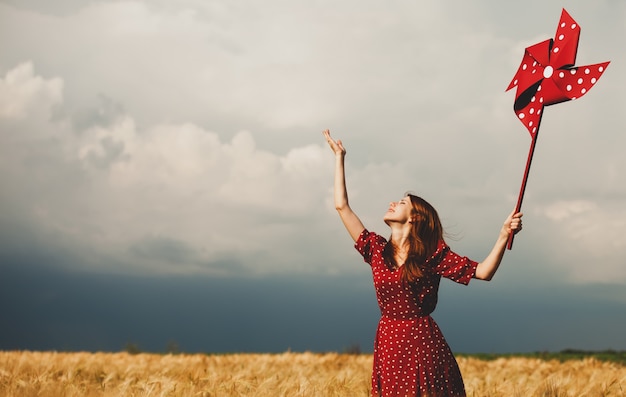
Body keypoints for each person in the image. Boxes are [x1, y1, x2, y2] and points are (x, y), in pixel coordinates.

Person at [322, 129, 523, 397]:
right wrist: (339, 158)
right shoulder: (376, 250)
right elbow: (342, 207)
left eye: (402, 202)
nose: (393, 203)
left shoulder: (431, 255)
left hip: (422, 344)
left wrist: (502, 235)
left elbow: (483, 272)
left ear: (415, 217)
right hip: (388, 342)